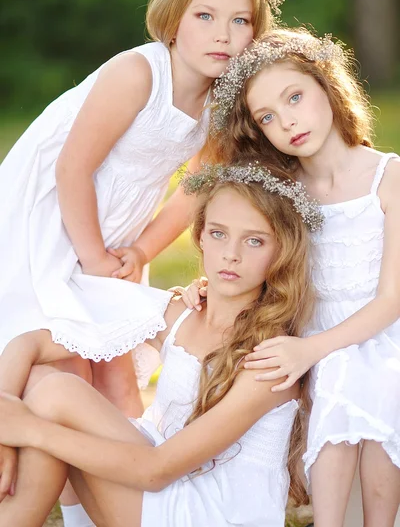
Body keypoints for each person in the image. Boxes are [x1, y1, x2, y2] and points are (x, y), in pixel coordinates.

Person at [0, 0, 285, 419]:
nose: (223, 34)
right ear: (173, 21)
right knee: (71, 362)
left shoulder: (220, 103)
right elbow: (72, 167)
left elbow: (195, 190)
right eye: (205, 16)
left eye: (240, 21)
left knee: (114, 364)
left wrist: (139, 252)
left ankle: (127, 483)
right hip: (52, 216)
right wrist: (93, 258)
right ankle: (59, 469)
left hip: (116, 231)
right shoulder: (139, 74)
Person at [0, 163, 319, 527]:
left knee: (55, 397)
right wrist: (5, 436)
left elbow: (155, 472)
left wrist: (27, 429)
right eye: (218, 234)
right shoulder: (179, 313)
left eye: (254, 240)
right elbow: (30, 346)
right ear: (199, 237)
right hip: (164, 486)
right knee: (44, 382)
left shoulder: (270, 360)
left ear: (282, 251)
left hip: (208, 513)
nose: (231, 254)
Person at [203, 28, 400, 527]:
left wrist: (316, 351)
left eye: (295, 97)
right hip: (309, 336)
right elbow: (256, 258)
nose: (287, 121)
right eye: (267, 116)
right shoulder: (284, 192)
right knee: (341, 369)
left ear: (328, 87)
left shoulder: (388, 177)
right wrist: (212, 287)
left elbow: (393, 299)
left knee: (359, 369)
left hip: (383, 334)